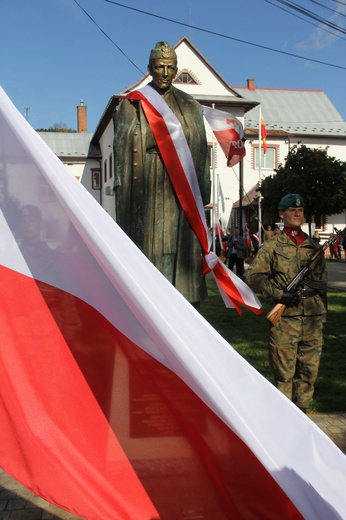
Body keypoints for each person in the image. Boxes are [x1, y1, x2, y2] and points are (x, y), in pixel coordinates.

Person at [113, 41, 210, 306]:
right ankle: (149, 301)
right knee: (151, 245)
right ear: (149, 68)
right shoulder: (132, 104)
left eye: (170, 68)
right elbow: (122, 150)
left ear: (176, 70)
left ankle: (184, 303)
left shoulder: (189, 105)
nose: (165, 73)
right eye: (159, 67)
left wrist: (203, 192)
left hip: (182, 190)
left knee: (179, 247)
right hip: (146, 184)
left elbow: (200, 149)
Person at [246, 194, 327, 413]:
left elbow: (321, 286)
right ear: (282, 214)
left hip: (312, 320)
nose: (297, 213)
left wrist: (323, 317)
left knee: (309, 373)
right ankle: (284, 418)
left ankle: (302, 414)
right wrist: (279, 295)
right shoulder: (273, 246)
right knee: (284, 374)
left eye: (300, 210)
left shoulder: (314, 247)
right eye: (292, 210)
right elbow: (253, 277)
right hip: (285, 322)